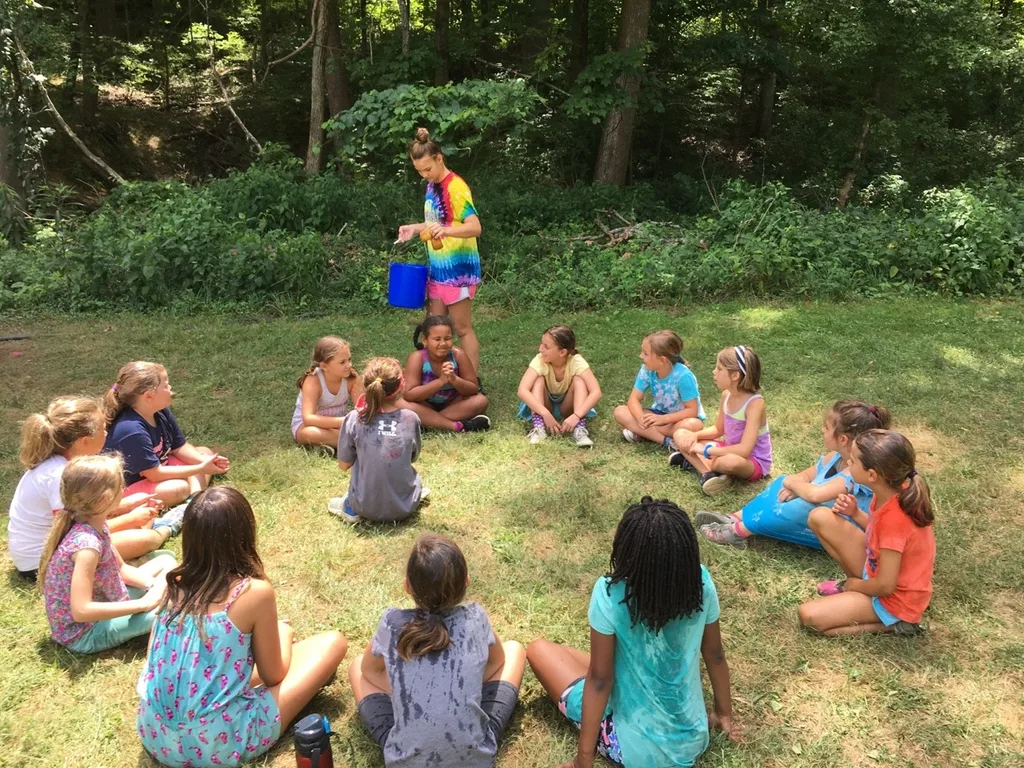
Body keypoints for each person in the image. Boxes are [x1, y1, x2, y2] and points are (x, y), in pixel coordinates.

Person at [136, 487, 347, 767]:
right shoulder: (253, 593)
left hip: (155, 733)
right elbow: (274, 675)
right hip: (216, 744)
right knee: (333, 643)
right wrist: (284, 634)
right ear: (244, 534)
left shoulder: (171, 583)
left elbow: (155, 660)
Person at [526, 497, 737, 768]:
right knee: (585, 661)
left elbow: (600, 681)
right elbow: (715, 655)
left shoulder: (610, 593)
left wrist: (582, 760)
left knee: (539, 649)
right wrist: (723, 713)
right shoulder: (700, 582)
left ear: (626, 551)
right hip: (692, 739)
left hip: (635, 751)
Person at [349, 534, 526, 767]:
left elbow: (368, 671)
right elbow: (498, 661)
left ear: (407, 586)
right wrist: (462, 688)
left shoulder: (392, 623)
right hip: (475, 759)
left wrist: (410, 694)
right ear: (467, 582)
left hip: (406, 760)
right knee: (515, 650)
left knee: (355, 667)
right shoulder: (476, 617)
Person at [9, 396, 178, 578]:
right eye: (103, 429)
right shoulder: (60, 476)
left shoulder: (67, 465)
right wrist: (130, 518)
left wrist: (127, 505)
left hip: (62, 543)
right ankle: (168, 526)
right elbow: (73, 532)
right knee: (145, 539)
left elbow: (84, 513)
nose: (107, 433)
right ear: (85, 441)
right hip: (43, 559)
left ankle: (151, 525)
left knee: (140, 522)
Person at [698, 401, 891, 549]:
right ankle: (734, 517)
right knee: (783, 483)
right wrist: (793, 484)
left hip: (845, 535)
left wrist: (794, 484)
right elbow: (806, 476)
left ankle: (737, 531)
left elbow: (815, 495)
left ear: (842, 439)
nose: (822, 429)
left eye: (826, 426)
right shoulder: (835, 456)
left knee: (804, 503)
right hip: (820, 514)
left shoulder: (856, 472)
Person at [798, 430, 935, 636]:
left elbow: (886, 586)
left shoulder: (896, 519)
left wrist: (854, 585)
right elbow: (879, 533)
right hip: (876, 570)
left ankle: (899, 624)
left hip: (894, 599)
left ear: (872, 475)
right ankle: (857, 593)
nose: (848, 464)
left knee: (809, 617)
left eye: (852, 462)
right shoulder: (890, 489)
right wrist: (854, 514)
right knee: (820, 517)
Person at [40, 454, 176, 653]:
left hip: (109, 599)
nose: (123, 490)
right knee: (172, 609)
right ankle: (152, 615)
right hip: (86, 632)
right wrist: (142, 604)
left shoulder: (96, 524)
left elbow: (121, 568)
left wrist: (152, 586)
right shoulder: (86, 547)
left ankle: (153, 605)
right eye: (120, 486)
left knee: (165, 560)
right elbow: (81, 610)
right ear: (105, 499)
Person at [396, 128, 484, 374]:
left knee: (462, 328)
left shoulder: (456, 188)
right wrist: (414, 228)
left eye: (427, 169)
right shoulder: (431, 186)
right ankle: (435, 381)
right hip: (438, 270)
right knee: (433, 328)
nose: (424, 175)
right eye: (419, 171)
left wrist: (445, 232)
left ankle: (471, 383)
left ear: (439, 159)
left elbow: (474, 227)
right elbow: (436, 222)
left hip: (458, 271)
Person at [103, 361, 230, 505]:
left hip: (158, 468)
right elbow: (154, 474)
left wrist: (205, 462)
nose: (170, 388)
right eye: (165, 385)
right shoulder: (131, 430)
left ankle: (195, 497)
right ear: (149, 396)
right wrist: (201, 468)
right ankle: (192, 500)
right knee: (177, 488)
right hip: (127, 489)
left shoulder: (159, 410)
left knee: (204, 453)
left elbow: (179, 446)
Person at [332, 357, 429, 524]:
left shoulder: (355, 418)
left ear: (366, 385)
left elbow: (343, 465)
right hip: (406, 506)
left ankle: (349, 507)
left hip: (364, 506)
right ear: (401, 386)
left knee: (354, 485)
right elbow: (412, 457)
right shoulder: (411, 418)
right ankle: (411, 494)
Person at [671, 345, 772, 496]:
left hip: (752, 461)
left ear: (735, 375)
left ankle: (695, 461)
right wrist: (695, 436)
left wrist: (704, 450)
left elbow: (744, 450)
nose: (714, 372)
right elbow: (718, 429)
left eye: (719, 369)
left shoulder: (755, 404)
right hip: (728, 448)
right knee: (680, 434)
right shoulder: (726, 395)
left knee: (729, 462)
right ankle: (709, 474)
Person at [613, 330, 705, 450]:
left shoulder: (683, 377)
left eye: (645, 353)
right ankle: (667, 441)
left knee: (694, 425)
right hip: (657, 414)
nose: (641, 356)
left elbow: (692, 411)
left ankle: (643, 432)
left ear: (662, 360)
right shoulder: (647, 370)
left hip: (680, 419)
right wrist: (641, 418)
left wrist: (663, 419)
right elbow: (633, 400)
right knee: (620, 411)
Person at [400, 315, 491, 433]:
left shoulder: (458, 355)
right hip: (425, 405)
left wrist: (454, 379)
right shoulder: (418, 358)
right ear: (425, 340)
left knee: (481, 401)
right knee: (399, 403)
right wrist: (440, 381)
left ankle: (428, 422)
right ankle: (456, 425)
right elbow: (409, 395)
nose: (443, 343)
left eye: (447, 338)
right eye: (437, 339)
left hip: (452, 405)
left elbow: (473, 388)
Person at [516, 325, 602, 447]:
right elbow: (522, 390)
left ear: (562, 352)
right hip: (544, 404)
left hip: (568, 406)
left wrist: (576, 416)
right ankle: (539, 428)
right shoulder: (539, 360)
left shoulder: (576, 361)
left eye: (546, 346)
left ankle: (579, 429)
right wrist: (545, 413)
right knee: (538, 380)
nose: (540, 349)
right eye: (541, 344)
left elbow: (596, 392)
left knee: (579, 380)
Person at [291, 336, 361, 452]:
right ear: (324, 366)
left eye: (349, 359)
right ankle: (352, 442)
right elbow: (308, 418)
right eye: (342, 362)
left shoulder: (352, 378)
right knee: (310, 433)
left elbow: (363, 409)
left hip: (338, 427)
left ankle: (327, 446)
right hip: (308, 427)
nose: (349, 365)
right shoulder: (313, 381)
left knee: (360, 428)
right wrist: (344, 421)